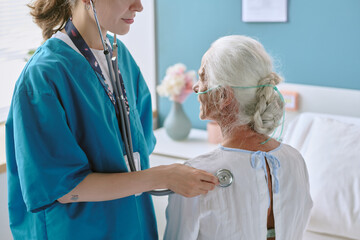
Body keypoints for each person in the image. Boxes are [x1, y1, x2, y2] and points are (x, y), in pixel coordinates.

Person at [5, 0, 219, 239]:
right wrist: (163, 176)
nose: (139, 7)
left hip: (132, 226)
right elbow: (63, 189)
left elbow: (139, 150)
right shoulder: (42, 77)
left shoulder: (121, 58)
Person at [164, 35, 313, 240]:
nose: (197, 87)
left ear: (223, 97)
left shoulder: (194, 176)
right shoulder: (295, 159)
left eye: (202, 77)